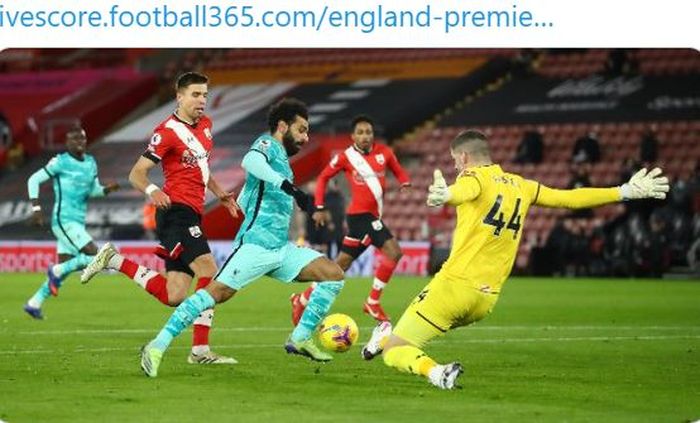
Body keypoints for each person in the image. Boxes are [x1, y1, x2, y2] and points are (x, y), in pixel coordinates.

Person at [361, 129, 669, 389]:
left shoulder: (473, 178)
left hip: (453, 288)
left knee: (395, 353)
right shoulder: (522, 185)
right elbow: (568, 198)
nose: (455, 166)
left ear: (465, 158)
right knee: (421, 328)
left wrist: (446, 195)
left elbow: (463, 190)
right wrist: (624, 191)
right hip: (485, 301)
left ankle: (437, 372)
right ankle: (386, 335)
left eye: (456, 160)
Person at [137, 97, 347, 378]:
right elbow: (250, 162)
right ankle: (157, 345)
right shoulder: (267, 144)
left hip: (280, 249)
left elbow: (253, 189)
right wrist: (291, 189)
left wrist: (242, 203)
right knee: (216, 294)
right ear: (282, 126)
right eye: (301, 129)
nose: (305, 137)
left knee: (333, 273)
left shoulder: (283, 159)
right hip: (255, 246)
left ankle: (300, 338)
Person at [80, 72, 240, 365]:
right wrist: (153, 190)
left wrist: (219, 193)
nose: (202, 100)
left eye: (205, 94)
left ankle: (114, 260)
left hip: (192, 211)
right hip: (174, 212)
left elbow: (202, 169)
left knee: (174, 294)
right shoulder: (165, 131)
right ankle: (200, 351)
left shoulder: (206, 126)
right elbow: (136, 174)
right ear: (179, 97)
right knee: (209, 269)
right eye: (195, 94)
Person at [290, 115, 411, 324]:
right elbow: (323, 178)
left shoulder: (385, 153)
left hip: (371, 216)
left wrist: (405, 183)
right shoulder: (346, 157)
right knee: (394, 252)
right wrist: (318, 206)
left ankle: (302, 299)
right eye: (361, 133)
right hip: (359, 216)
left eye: (368, 132)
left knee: (339, 267)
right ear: (353, 136)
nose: (365, 136)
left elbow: (399, 171)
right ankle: (372, 302)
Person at [23, 126, 119, 319]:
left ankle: (34, 303)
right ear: (67, 143)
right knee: (96, 254)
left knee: (66, 268)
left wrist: (106, 190)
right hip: (63, 220)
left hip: (78, 221)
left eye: (82, 139)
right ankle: (55, 270)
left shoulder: (91, 163)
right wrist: (36, 208)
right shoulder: (60, 162)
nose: (79, 143)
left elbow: (93, 191)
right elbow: (33, 179)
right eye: (74, 140)